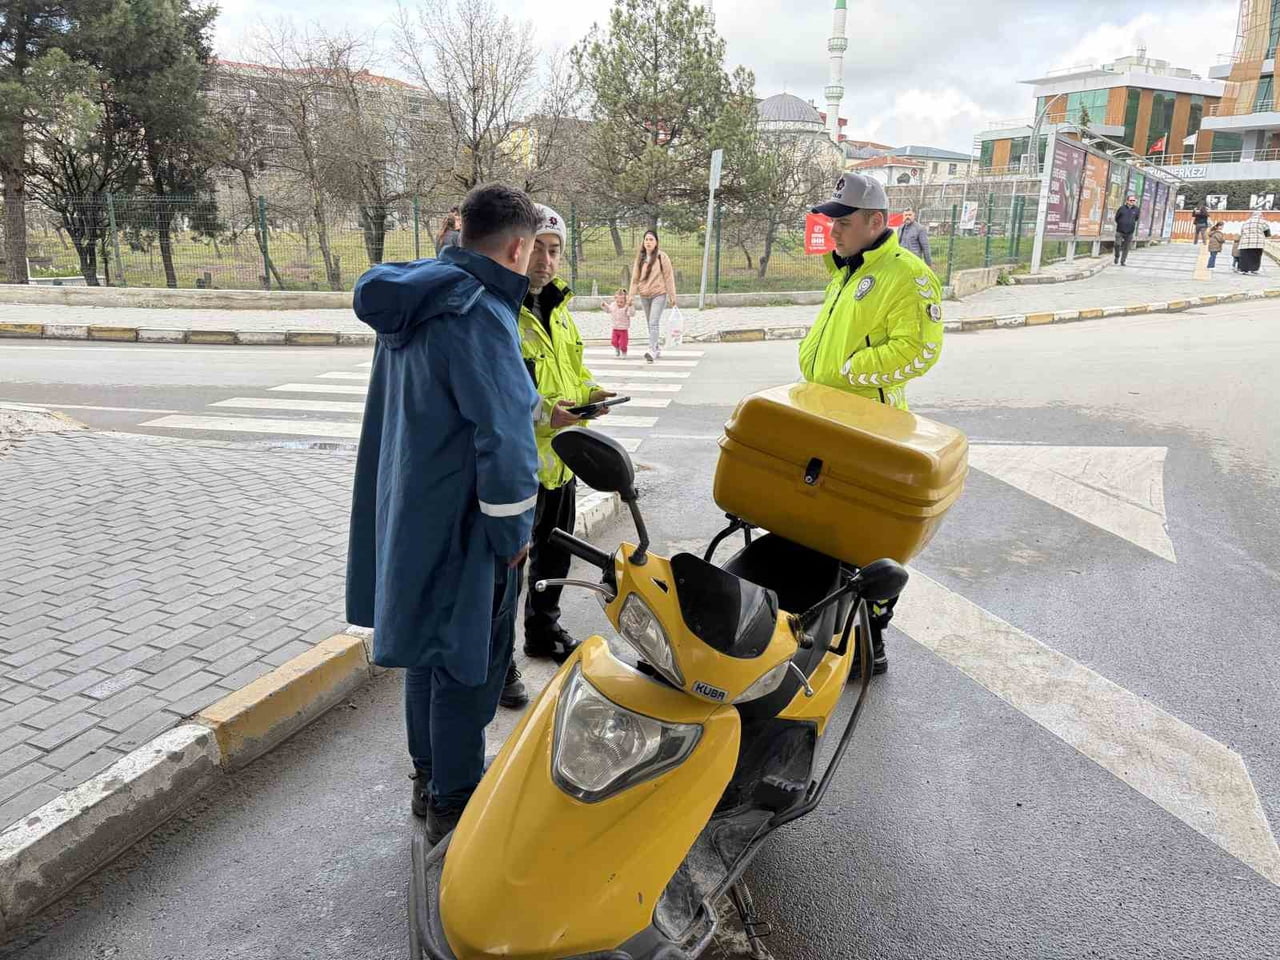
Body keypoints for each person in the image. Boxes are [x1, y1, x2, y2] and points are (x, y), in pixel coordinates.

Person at [346, 183, 542, 845]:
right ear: (518, 245)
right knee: (467, 659)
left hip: (411, 512)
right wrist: (514, 534)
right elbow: (506, 439)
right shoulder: (480, 312)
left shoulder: (417, 298)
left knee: (428, 652)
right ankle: (455, 801)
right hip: (465, 524)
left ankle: (427, 777)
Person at [798, 172, 944, 679]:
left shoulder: (908, 274)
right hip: (827, 417)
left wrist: (850, 370)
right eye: (831, 219)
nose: (832, 229)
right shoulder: (849, 267)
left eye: (843, 220)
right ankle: (824, 627)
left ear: (876, 221)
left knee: (871, 540)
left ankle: (872, 639)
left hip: (872, 425)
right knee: (821, 529)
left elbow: (920, 350)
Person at [513, 203, 615, 682]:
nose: (546, 261)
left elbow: (574, 370)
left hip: (561, 458)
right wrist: (546, 411)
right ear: (517, 247)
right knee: (508, 567)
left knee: (554, 554)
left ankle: (542, 629)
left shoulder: (558, 310)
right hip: (518, 465)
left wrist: (592, 393)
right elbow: (501, 391)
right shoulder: (503, 314)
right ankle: (499, 663)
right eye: (538, 248)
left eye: (554, 251)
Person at [629, 230, 677, 363]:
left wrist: (672, 296)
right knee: (650, 323)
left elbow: (669, 277)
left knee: (653, 322)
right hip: (644, 294)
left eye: (651, 240)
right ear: (643, 242)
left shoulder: (662, 257)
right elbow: (635, 279)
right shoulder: (640, 258)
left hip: (659, 294)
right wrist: (631, 296)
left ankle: (652, 350)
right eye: (646, 240)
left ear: (656, 242)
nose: (648, 242)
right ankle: (656, 346)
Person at [1237, 210, 1272, 275]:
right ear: (1260, 215)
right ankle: (1254, 270)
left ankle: (1244, 270)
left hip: (1245, 242)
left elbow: (1241, 232)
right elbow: (1267, 233)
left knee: (1245, 257)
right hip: (1257, 243)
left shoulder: (1246, 222)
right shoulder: (1262, 222)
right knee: (1256, 256)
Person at [602, 288, 634, 358]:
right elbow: (608, 310)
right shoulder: (613, 305)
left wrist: (631, 306)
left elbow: (631, 314)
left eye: (621, 302)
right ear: (615, 300)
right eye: (618, 302)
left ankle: (624, 352)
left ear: (625, 301)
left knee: (623, 344)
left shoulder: (627, 306)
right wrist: (604, 306)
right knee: (613, 342)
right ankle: (617, 349)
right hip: (615, 328)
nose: (619, 304)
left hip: (623, 329)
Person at [1114, 195, 1140, 265]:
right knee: (1117, 244)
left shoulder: (1136, 210)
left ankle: (1123, 261)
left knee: (1126, 247)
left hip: (1130, 232)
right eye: (1131, 200)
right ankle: (1117, 256)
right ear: (1127, 201)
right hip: (1120, 230)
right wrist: (1121, 223)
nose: (1132, 202)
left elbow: (1136, 219)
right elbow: (1116, 218)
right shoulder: (1122, 208)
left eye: (1134, 201)